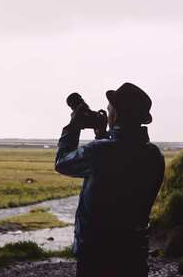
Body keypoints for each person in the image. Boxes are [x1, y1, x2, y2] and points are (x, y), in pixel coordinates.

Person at [55, 83, 165, 277]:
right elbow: (121, 157)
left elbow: (62, 163)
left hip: (97, 253)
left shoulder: (101, 152)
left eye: (109, 109)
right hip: (134, 252)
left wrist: (74, 125)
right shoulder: (154, 155)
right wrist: (102, 135)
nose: (107, 111)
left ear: (117, 114)